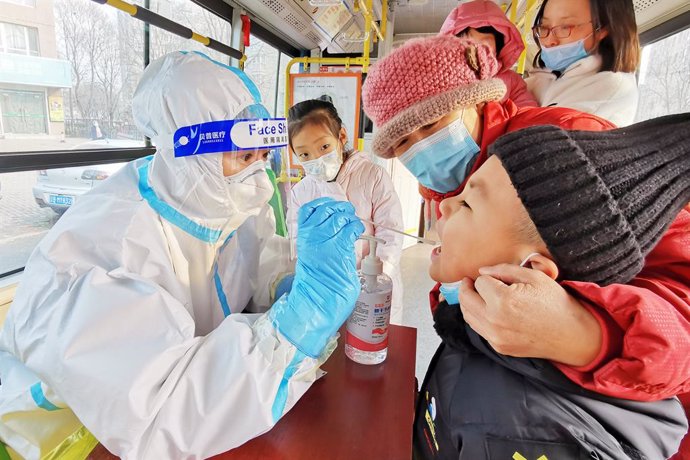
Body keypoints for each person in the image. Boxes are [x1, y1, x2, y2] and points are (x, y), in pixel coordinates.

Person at [0, 51, 364, 459]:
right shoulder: (104, 253)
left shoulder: (214, 197)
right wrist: (299, 321)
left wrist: (290, 283)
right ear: (192, 150)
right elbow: (161, 415)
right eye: (246, 156)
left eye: (264, 156)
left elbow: (256, 258)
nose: (260, 179)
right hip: (67, 437)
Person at [361, 35, 690, 402]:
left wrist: (585, 336)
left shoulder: (565, 146)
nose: (422, 146)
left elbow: (681, 297)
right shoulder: (445, 186)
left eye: (433, 123)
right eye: (403, 142)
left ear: (477, 100)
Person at [414, 114, 690, 459]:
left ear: (530, 270)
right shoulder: (486, 335)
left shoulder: (531, 432)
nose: (444, 204)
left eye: (468, 204)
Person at [286, 99, 405, 323]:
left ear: (341, 137)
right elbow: (297, 244)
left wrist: (373, 282)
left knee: (372, 342)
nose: (316, 160)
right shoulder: (301, 192)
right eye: (304, 154)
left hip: (372, 291)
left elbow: (391, 234)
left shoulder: (372, 176)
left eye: (324, 147)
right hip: (325, 293)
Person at [525, 0, 640, 126]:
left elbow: (539, 139)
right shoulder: (543, 77)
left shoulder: (610, 86)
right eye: (544, 27)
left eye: (565, 27)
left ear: (602, 29)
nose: (549, 40)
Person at [439, 0, 537, 108]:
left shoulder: (512, 81)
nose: (476, 52)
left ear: (498, 48)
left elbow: (527, 113)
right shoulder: (443, 78)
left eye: (485, 46)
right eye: (468, 44)